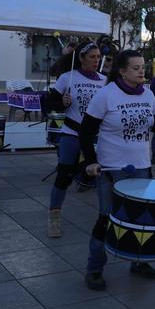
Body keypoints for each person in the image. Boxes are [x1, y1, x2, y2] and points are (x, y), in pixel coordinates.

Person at [79, 50, 155, 290]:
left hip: (142, 167)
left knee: (141, 219)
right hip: (113, 169)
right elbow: (86, 131)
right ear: (122, 71)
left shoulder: (149, 94)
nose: (142, 71)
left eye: (143, 66)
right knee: (106, 218)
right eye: (136, 67)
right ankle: (95, 268)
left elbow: (154, 128)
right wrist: (90, 160)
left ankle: (138, 262)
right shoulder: (106, 95)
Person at [45, 41, 106, 237]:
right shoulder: (67, 77)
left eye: (98, 57)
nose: (96, 61)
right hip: (72, 133)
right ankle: (54, 216)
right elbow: (49, 103)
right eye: (92, 57)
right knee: (64, 175)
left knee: (104, 177)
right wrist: (61, 102)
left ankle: (106, 218)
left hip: (97, 136)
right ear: (81, 58)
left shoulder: (105, 81)